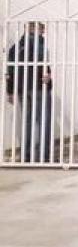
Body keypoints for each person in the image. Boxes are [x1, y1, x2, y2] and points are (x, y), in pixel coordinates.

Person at [5, 21, 52, 163]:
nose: (43, 33)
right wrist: (48, 77)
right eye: (41, 30)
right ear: (33, 29)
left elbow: (10, 71)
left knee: (27, 122)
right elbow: (44, 68)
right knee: (44, 122)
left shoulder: (15, 48)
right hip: (38, 88)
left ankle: (26, 155)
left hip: (22, 90)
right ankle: (44, 156)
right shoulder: (39, 45)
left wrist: (10, 91)